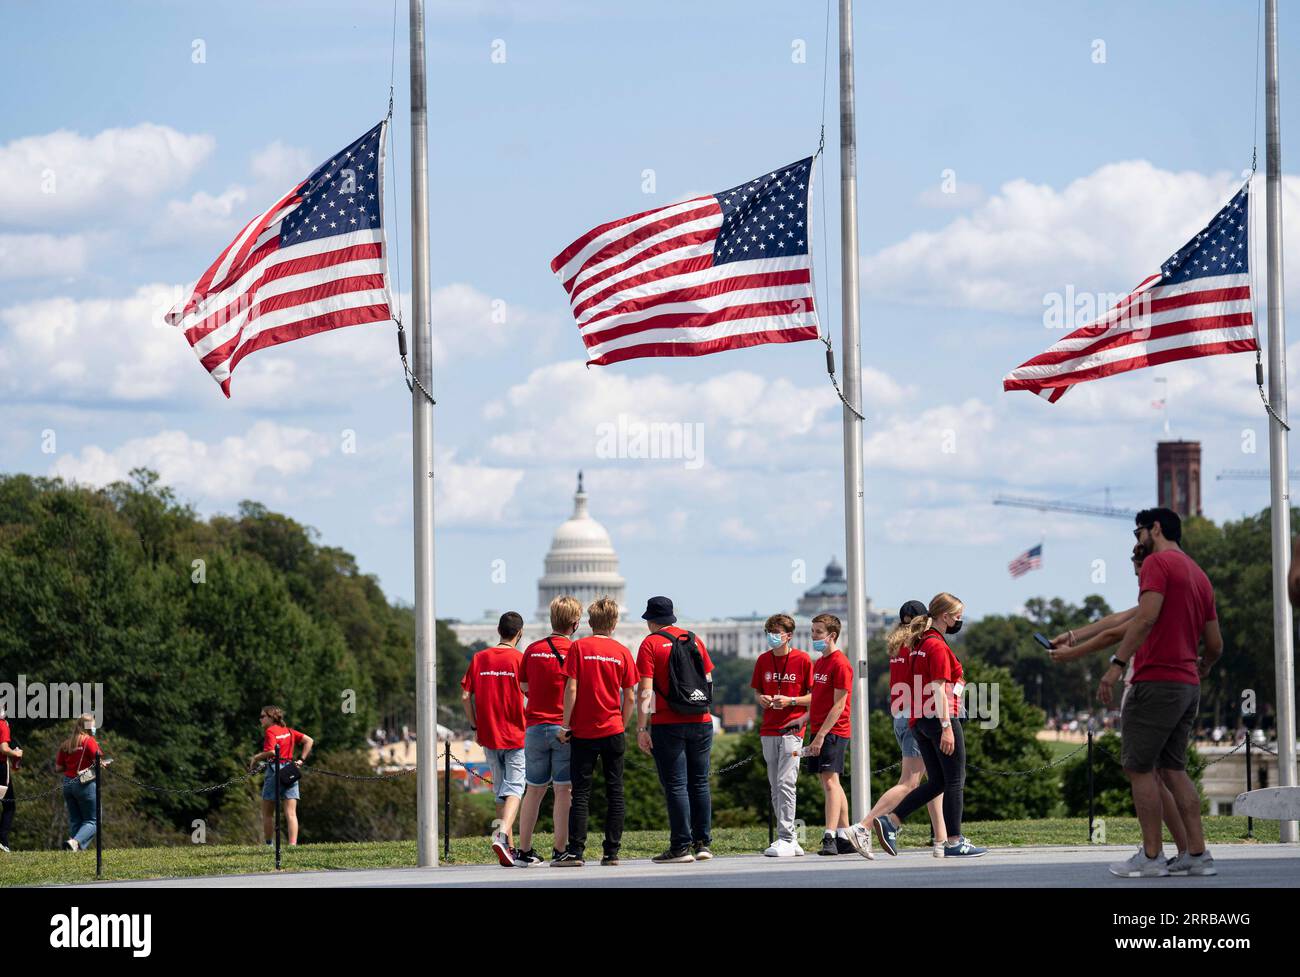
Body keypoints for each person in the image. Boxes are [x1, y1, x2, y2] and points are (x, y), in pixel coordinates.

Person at [1048, 545, 1190, 860]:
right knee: (1164, 774)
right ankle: (1188, 851)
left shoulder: (1154, 599)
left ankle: (1155, 853)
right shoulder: (1170, 596)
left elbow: (1113, 634)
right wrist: (1073, 634)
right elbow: (1115, 620)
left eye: (1139, 569)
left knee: (1143, 773)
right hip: (1178, 686)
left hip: (1146, 687)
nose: (1139, 576)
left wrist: (1072, 654)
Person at [1101, 508, 1222, 879]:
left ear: (1155, 529)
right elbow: (1215, 643)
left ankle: (1152, 857)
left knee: (1139, 769)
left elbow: (1146, 616)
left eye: (1138, 531)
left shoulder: (1158, 563)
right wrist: (1204, 665)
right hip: (1188, 683)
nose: (1137, 540)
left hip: (1156, 681)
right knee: (1175, 769)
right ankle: (1197, 855)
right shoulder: (1199, 575)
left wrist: (1117, 665)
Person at [870, 593, 987, 859]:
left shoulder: (918, 643)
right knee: (955, 779)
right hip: (937, 718)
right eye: (957, 615)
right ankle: (954, 841)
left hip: (920, 720)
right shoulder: (935, 645)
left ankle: (892, 821)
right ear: (944, 616)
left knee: (938, 782)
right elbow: (937, 688)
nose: (959, 620)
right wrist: (947, 725)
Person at [846, 600, 945, 860]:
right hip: (918, 715)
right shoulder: (920, 645)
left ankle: (941, 839)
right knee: (910, 782)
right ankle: (864, 826)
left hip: (902, 715)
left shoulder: (898, 644)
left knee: (934, 779)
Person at [553, 596, 637, 867]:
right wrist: (622, 724)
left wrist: (566, 725)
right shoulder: (622, 652)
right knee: (615, 792)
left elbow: (572, 689)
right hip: (613, 729)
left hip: (584, 731)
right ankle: (611, 852)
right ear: (615, 622)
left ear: (589, 622)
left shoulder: (578, 647)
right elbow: (631, 697)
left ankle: (576, 851)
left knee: (581, 793)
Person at [635, 595, 716, 864]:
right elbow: (708, 680)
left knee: (676, 786)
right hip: (701, 720)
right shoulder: (693, 639)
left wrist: (641, 727)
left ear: (650, 620)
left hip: (668, 724)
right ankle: (703, 843)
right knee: (700, 783)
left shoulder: (650, 644)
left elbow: (646, 690)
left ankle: (680, 846)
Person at [515, 596, 580, 866]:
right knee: (563, 791)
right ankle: (559, 849)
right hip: (562, 729)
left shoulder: (532, 649)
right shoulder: (575, 651)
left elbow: (524, 686)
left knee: (533, 790)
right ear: (575, 624)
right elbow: (576, 691)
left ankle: (524, 850)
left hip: (534, 727)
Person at [462, 611, 528, 867]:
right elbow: (529, 694)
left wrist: (474, 725)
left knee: (501, 791)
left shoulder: (480, 658)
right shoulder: (520, 660)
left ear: (498, 631)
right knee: (516, 788)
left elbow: (466, 696)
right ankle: (501, 836)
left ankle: (507, 849)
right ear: (519, 634)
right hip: (515, 733)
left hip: (488, 734)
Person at [751, 613, 813, 857]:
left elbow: (815, 697)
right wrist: (762, 699)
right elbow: (757, 692)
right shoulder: (763, 660)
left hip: (793, 729)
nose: (772, 637)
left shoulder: (803, 660)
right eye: (769, 632)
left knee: (787, 783)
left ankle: (786, 837)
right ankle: (791, 839)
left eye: (777, 633)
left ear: (789, 636)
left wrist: (791, 701)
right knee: (775, 786)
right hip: (768, 729)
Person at [802, 613, 856, 856]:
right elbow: (820, 700)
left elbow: (839, 705)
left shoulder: (840, 663)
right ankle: (846, 836)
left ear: (832, 635)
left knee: (830, 782)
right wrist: (803, 719)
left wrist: (821, 735)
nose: (813, 636)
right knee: (831, 783)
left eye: (818, 632)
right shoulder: (820, 662)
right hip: (820, 729)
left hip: (834, 730)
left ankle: (830, 836)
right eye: (812, 631)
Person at [248, 706, 314, 847]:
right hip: (290, 770)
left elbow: (272, 752)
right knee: (291, 813)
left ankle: (269, 845)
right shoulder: (288, 731)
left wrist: (256, 758)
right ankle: (292, 845)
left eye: (262, 716)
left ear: (271, 718)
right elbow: (309, 740)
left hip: (274, 771)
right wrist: (301, 760)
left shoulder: (270, 731)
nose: (260, 719)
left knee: (267, 813)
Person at [56, 714, 105, 852]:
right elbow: (98, 761)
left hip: (67, 784)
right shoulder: (89, 741)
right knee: (93, 820)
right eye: (94, 725)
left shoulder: (66, 743)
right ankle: (75, 841)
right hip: (84, 784)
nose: (95, 727)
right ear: (89, 726)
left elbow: (58, 768)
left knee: (75, 820)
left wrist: (72, 766)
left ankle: (74, 849)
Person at [0, 705, 20, 852]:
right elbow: (4, 748)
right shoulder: (3, 725)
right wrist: (16, 754)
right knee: (9, 805)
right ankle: (3, 841)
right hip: (0, 767)